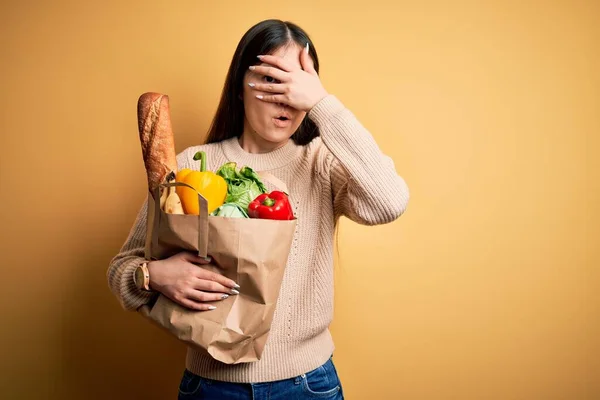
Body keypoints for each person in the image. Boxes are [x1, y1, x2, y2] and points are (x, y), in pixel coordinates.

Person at [107, 19, 409, 400]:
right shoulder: (193, 166)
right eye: (271, 80)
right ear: (239, 87)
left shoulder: (322, 162)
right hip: (210, 388)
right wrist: (153, 275)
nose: (286, 98)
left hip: (308, 386)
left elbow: (390, 201)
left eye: (296, 84)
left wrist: (322, 104)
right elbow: (121, 268)